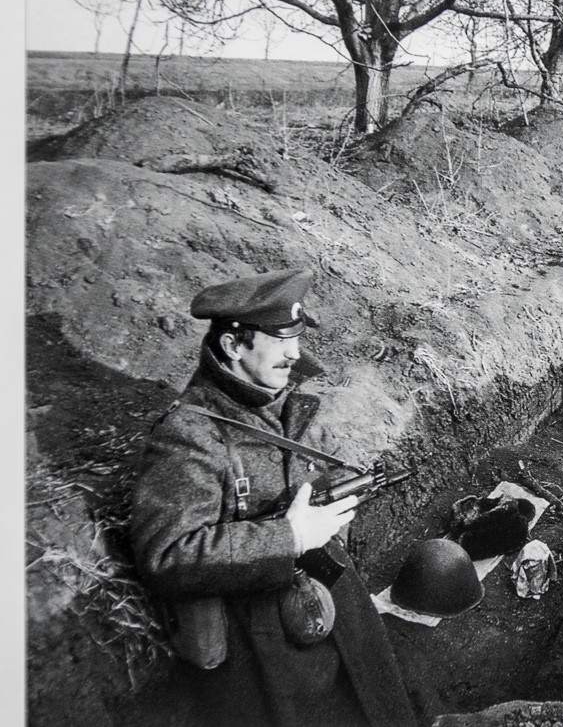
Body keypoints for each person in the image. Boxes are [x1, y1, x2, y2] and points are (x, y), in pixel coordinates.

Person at [130, 268, 419, 727]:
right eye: (279, 340)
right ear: (233, 345)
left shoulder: (274, 395)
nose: (295, 353)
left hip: (333, 608)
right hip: (265, 648)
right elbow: (167, 555)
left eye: (296, 338)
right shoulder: (189, 436)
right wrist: (290, 536)